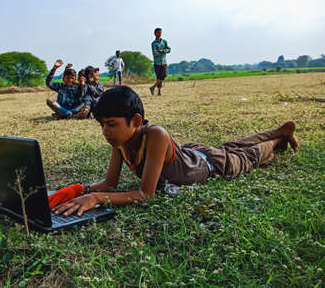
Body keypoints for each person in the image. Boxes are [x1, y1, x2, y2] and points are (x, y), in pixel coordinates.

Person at [48, 86, 298, 216]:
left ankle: (277, 140)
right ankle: (279, 130)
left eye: (111, 124)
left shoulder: (155, 134)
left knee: (248, 156)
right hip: (192, 153)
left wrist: (96, 198)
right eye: (102, 125)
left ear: (135, 121)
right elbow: (111, 183)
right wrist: (80, 190)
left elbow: (146, 194)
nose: (105, 131)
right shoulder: (119, 141)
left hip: (210, 165)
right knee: (233, 146)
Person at [150, 28, 171, 96]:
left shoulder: (164, 42)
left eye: (160, 32)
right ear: (155, 34)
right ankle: (159, 91)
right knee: (159, 77)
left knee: (164, 75)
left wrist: (162, 51)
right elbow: (154, 53)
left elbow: (169, 50)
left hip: (164, 62)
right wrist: (162, 51)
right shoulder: (153, 43)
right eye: (158, 32)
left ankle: (153, 87)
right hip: (157, 63)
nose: (159, 34)